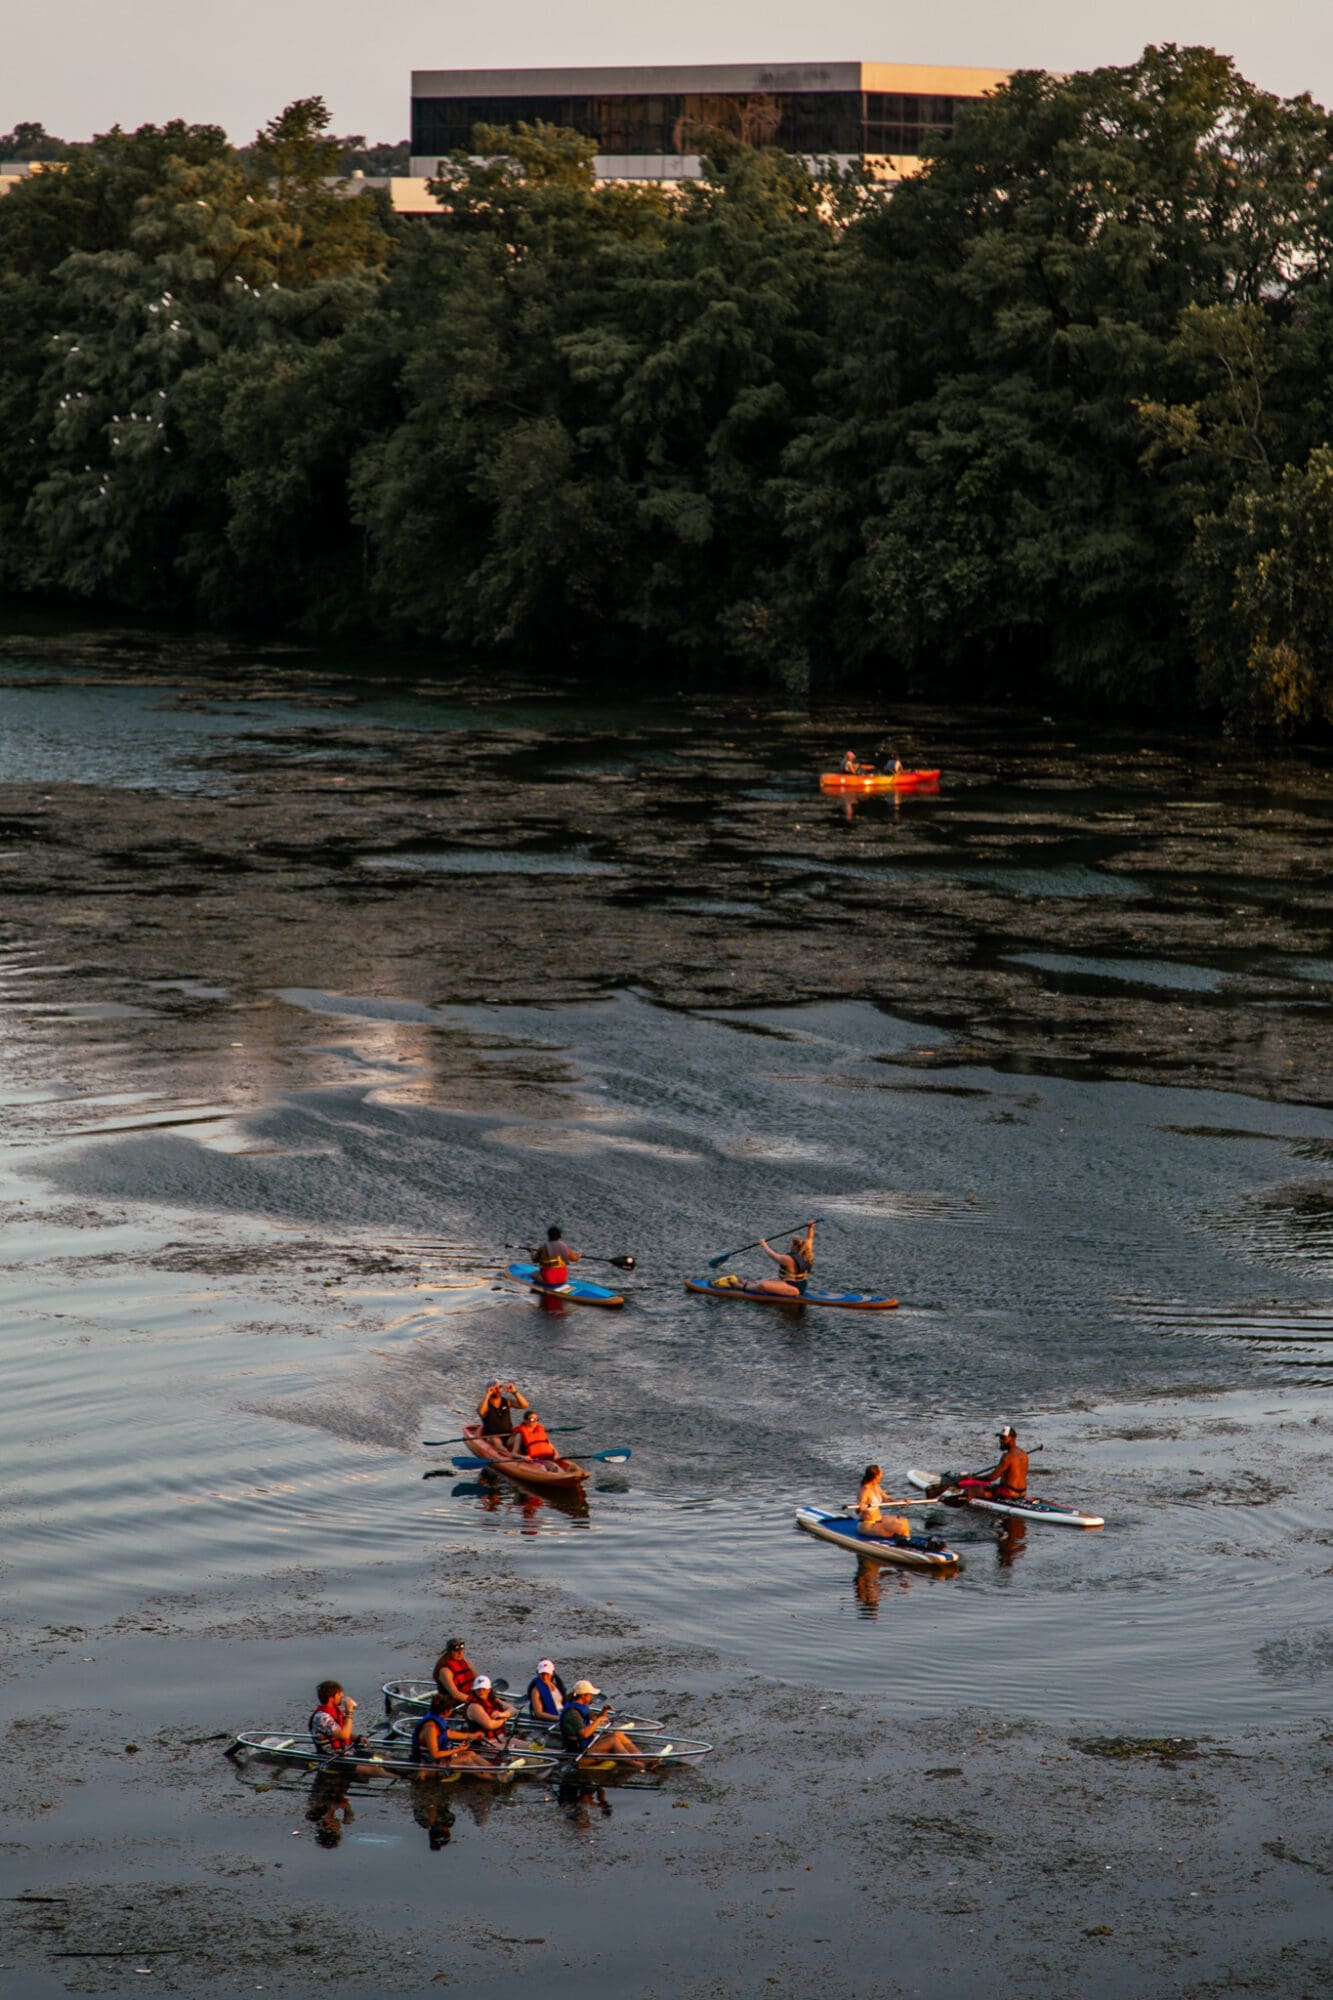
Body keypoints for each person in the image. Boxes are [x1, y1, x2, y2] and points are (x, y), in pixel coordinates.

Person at [557, 1679, 645, 1766]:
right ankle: (637, 1764)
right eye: (590, 1694)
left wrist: (604, 1711)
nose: (592, 1696)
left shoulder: (581, 1705)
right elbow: (584, 1734)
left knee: (617, 1734)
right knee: (612, 1740)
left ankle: (641, 1757)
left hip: (588, 1744)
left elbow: (595, 1718)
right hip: (579, 1754)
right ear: (583, 1695)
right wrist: (599, 1721)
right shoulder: (573, 1713)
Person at [410, 1692, 492, 1773]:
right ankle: (493, 1779)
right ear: (446, 1711)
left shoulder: (438, 1718)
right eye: (451, 1709)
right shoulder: (430, 1728)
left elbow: (449, 1733)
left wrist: (473, 1736)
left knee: (470, 1754)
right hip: (427, 1763)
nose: (452, 1711)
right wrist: (457, 1750)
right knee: (467, 1761)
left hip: (439, 1759)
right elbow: (435, 1754)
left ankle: (496, 1771)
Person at [956, 1424, 1028, 1501]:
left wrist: (973, 1478)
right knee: (991, 1486)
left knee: (970, 1490)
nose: (1001, 1440)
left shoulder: (1007, 1456)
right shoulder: (1024, 1454)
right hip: (1022, 1492)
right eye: (1000, 1437)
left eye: (1003, 1438)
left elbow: (992, 1477)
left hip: (1009, 1493)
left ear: (1013, 1438)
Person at [752, 1220, 816, 1298]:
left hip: (794, 1288)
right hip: (795, 1283)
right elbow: (810, 1238)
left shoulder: (788, 1259)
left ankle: (741, 1287)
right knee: (766, 1279)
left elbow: (773, 1255)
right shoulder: (807, 1252)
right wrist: (810, 1227)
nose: (791, 1246)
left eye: (792, 1245)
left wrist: (764, 1245)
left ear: (795, 1247)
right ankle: (748, 1283)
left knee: (763, 1285)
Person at [855, 1466, 913, 1543]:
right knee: (900, 1527)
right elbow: (859, 1507)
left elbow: (887, 1499)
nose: (882, 1475)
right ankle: (905, 1543)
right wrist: (860, 1508)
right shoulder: (865, 1490)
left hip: (879, 1520)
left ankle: (907, 1541)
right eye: (881, 1473)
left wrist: (902, 1502)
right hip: (867, 1525)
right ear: (875, 1476)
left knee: (904, 1521)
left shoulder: (876, 1486)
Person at [460, 1675, 515, 1745]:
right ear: (474, 1690)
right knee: (519, 1753)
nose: (481, 1692)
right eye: (478, 1689)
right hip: (486, 1742)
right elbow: (490, 1725)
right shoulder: (474, 1706)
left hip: (500, 1737)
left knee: (529, 1747)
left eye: (484, 1689)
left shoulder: (493, 1700)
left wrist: (500, 1714)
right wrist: (504, 1719)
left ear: (489, 1689)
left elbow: (513, 1710)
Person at [432, 1637, 477, 1706]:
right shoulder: (445, 1671)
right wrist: (475, 1701)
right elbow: (455, 1694)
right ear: (449, 1652)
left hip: (469, 1699)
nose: (460, 1653)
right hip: (452, 1703)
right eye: (456, 1651)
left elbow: (479, 1680)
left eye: (461, 1650)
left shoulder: (467, 1664)